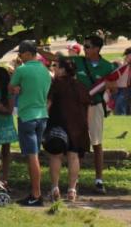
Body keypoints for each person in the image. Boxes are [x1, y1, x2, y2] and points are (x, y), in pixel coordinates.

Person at [9, 40, 52, 206]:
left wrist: (16, 89)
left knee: (32, 156)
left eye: (20, 53)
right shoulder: (45, 70)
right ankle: (35, 193)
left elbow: (10, 87)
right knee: (34, 155)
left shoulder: (22, 69)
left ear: (27, 53)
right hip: (42, 115)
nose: (20, 56)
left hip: (27, 116)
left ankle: (36, 194)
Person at [73, 34, 117, 193]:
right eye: (84, 46)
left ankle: (99, 180)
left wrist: (110, 85)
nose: (84, 49)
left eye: (87, 46)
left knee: (97, 143)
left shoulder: (107, 66)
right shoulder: (78, 61)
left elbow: (115, 87)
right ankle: (74, 179)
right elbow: (58, 59)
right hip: (79, 107)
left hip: (96, 106)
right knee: (77, 142)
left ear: (97, 49)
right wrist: (38, 50)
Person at [46, 56, 92, 202]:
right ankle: (72, 190)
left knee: (55, 155)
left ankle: (55, 188)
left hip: (58, 123)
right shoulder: (81, 86)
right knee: (74, 156)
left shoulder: (56, 84)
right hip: (78, 126)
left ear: (63, 70)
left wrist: (43, 120)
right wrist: (87, 125)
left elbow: (48, 103)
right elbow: (88, 107)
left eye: (57, 66)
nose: (54, 69)